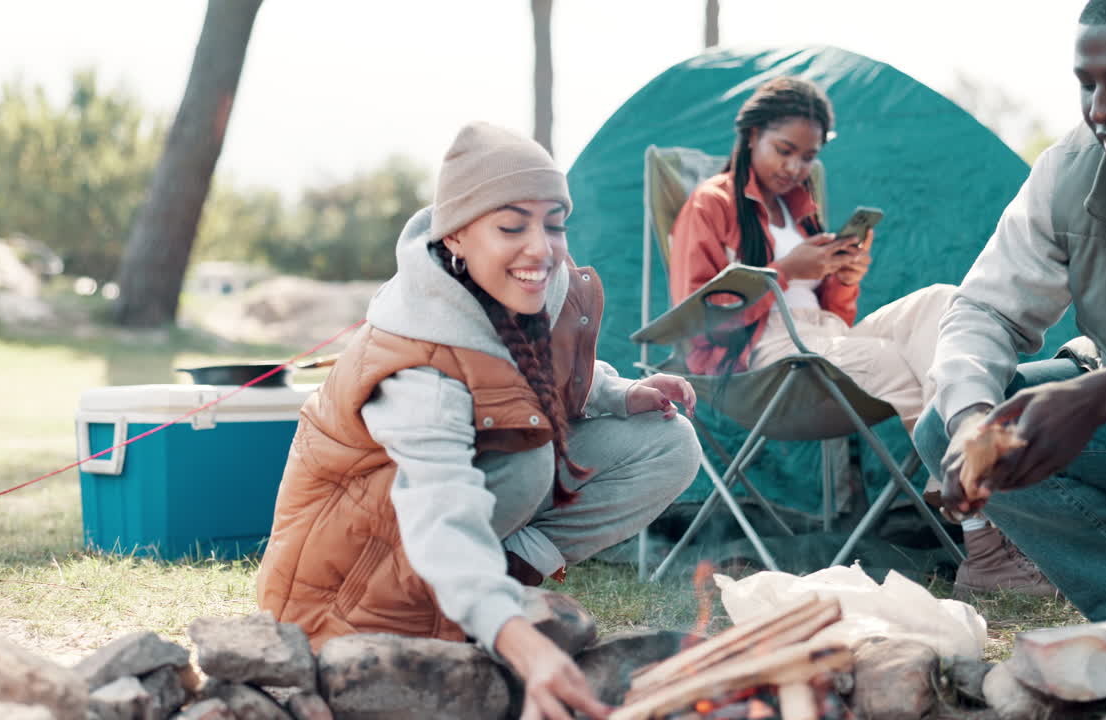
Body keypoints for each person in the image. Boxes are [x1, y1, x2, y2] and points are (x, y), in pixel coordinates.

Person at [256, 121, 702, 718]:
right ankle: (481, 601)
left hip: (454, 525)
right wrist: (522, 642)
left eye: (554, 223)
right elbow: (439, 512)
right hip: (351, 595)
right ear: (458, 236)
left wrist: (621, 394)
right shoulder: (417, 363)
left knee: (667, 441)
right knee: (525, 459)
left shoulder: (540, 285)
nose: (540, 247)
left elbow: (534, 376)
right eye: (512, 226)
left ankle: (496, 579)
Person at [916, 0, 1106, 654]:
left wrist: (1096, 397)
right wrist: (973, 419)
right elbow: (982, 310)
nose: (1101, 108)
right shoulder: (1074, 171)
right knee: (961, 423)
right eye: (1088, 82)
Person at [667, 76, 1052, 596]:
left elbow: (835, 318)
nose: (796, 168)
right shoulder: (710, 204)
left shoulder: (799, 208)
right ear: (751, 135)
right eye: (785, 151)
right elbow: (698, 316)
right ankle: (986, 543)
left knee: (943, 304)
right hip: (761, 353)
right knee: (900, 366)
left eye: (808, 157)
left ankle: (959, 477)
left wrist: (842, 278)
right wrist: (785, 270)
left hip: (821, 339)